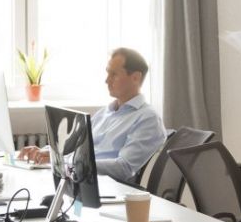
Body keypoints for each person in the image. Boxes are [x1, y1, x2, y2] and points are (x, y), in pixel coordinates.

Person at [18, 47, 167, 184]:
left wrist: (68, 164)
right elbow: (75, 148)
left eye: (114, 74)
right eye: (107, 73)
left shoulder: (148, 118)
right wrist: (46, 152)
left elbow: (124, 167)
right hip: (80, 180)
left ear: (135, 77)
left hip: (105, 187)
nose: (106, 80)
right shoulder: (104, 113)